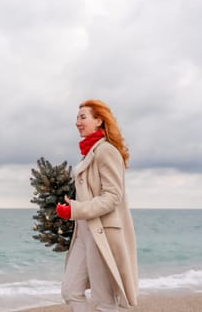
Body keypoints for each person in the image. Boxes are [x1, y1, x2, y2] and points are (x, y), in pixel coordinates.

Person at [56, 99, 138, 311]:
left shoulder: (106, 151)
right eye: (77, 118)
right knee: (70, 290)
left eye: (83, 117)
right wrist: (72, 206)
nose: (77, 122)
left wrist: (75, 210)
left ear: (99, 120)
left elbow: (112, 197)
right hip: (84, 232)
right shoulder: (90, 152)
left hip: (100, 232)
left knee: (104, 301)